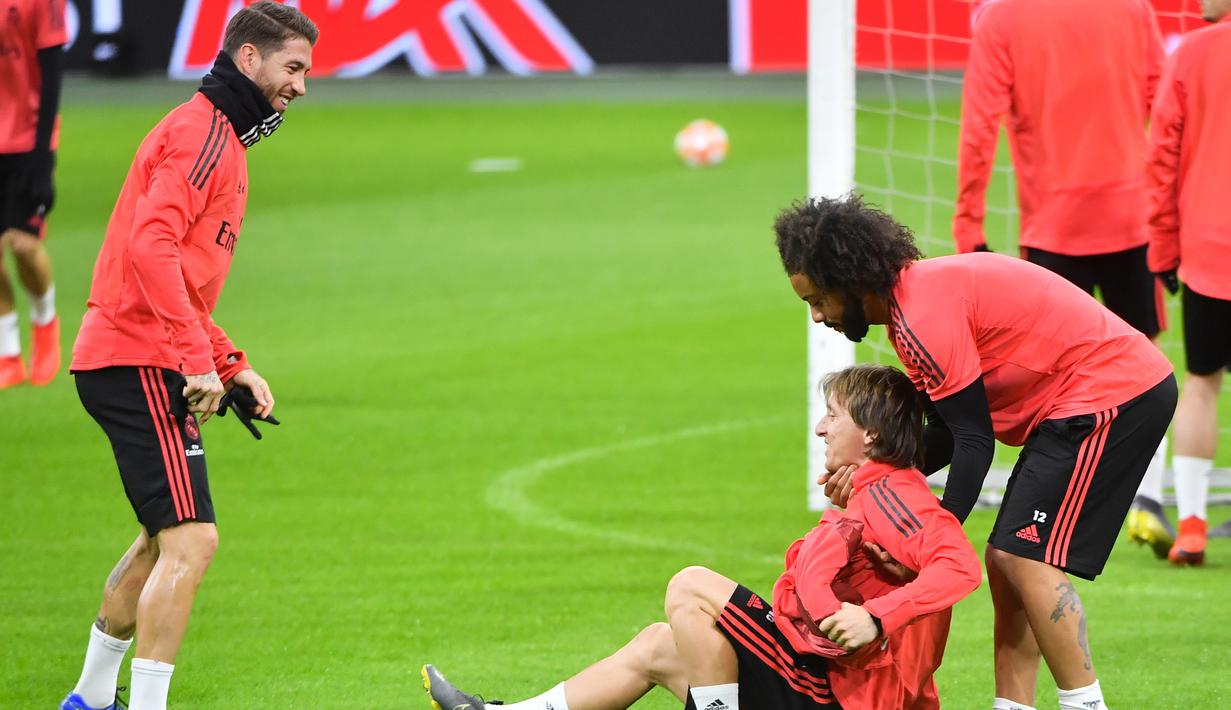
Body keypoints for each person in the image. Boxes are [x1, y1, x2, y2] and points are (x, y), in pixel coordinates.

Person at [775, 195, 1176, 710]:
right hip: (1077, 403)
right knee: (1006, 558)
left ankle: (1085, 704)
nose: (816, 317)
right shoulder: (910, 309)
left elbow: (972, 441)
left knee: (1021, 554)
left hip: (1113, 393)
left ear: (850, 281)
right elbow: (942, 433)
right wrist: (873, 477)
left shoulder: (922, 316)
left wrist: (927, 539)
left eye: (818, 300)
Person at [421, 364, 982, 710]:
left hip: (841, 697)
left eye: (831, 415)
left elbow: (960, 566)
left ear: (870, 433)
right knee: (660, 645)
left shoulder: (895, 496)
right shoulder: (875, 491)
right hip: (838, 685)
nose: (819, 427)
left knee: (691, 588)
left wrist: (877, 618)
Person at [60, 4, 317, 710]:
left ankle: (87, 698)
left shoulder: (217, 139)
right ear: (248, 60)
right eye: (292, 68)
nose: (300, 87)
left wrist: (228, 363)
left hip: (135, 352)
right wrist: (192, 359)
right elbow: (151, 248)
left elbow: (184, 280)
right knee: (192, 541)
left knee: (159, 538)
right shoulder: (202, 132)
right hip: (137, 358)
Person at [952, 0, 1177, 558]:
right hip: (1134, 217)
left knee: (1050, 381)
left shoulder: (1001, 19)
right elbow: (1165, 107)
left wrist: (969, 227)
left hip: (1054, 225)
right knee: (1145, 361)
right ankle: (1148, 499)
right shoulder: (1133, 9)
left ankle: (1044, 504)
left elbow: (980, 126)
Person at [1144, 0, 1231, 565]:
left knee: (1201, 381)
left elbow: (1162, 154)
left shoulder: (1194, 53)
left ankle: (1194, 525)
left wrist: (1162, 242)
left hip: (1210, 245)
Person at [0, 0, 66, 388]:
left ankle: (45, 321)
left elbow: (53, 72)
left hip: (26, 142)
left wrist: (44, 155)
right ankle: (8, 351)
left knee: (22, 244)